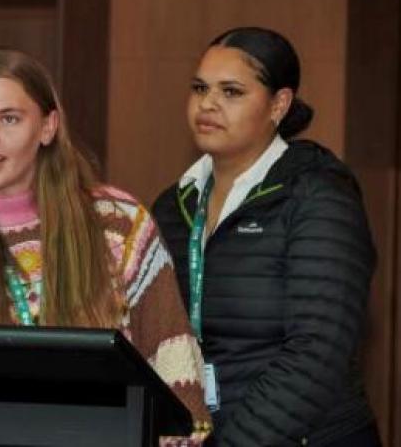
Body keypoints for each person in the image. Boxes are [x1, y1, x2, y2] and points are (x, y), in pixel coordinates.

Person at [0, 48, 212, 440]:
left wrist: (183, 433)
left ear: (48, 127)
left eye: (9, 119)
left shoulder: (115, 221)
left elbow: (169, 344)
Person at [151, 27, 379, 446]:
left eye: (231, 91)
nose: (208, 103)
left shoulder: (318, 195)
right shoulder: (173, 205)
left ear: (279, 104)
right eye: (200, 87)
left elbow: (318, 350)